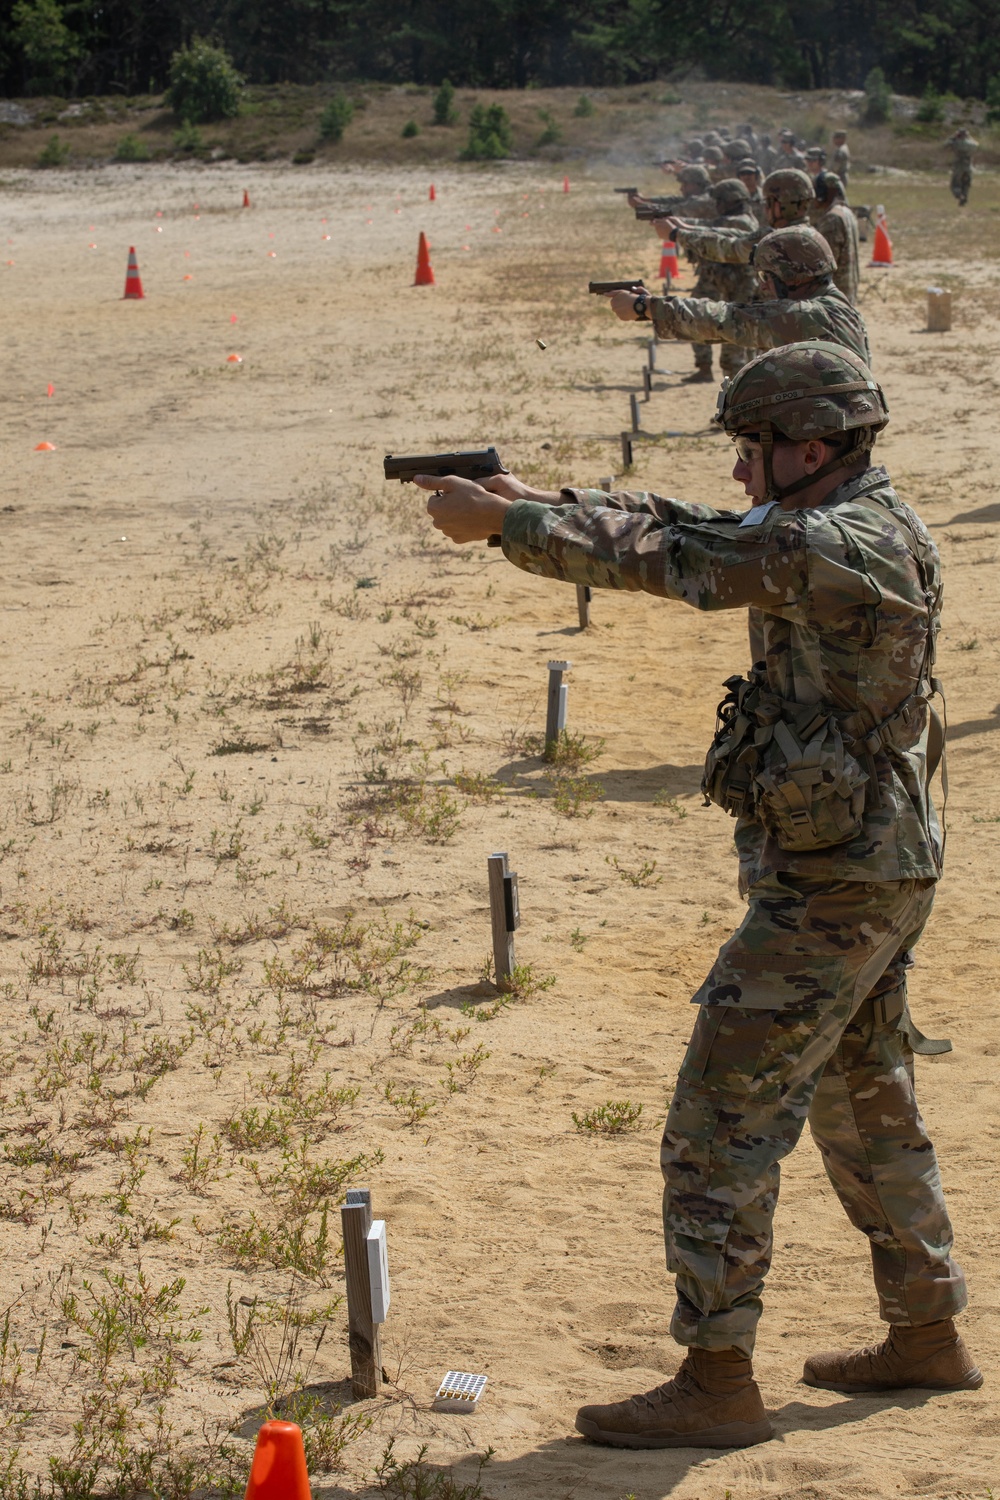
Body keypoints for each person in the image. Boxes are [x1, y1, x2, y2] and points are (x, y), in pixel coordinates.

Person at [411, 338, 980, 1450]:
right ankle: (924, 1329)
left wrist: (510, 530)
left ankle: (717, 1378)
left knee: (719, 1123)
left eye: (752, 450)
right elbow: (710, 527)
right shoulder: (856, 513)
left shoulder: (838, 539)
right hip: (869, 862)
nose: (739, 472)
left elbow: (690, 562)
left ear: (810, 447)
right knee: (864, 1094)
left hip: (837, 882)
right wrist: (545, 499)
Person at [608, 225, 872, 366]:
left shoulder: (808, 316)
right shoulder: (835, 305)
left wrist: (645, 307)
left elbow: (728, 320)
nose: (764, 288)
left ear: (790, 276)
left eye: (766, 278)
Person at [678, 178, 759, 384]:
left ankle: (739, 410)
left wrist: (678, 229)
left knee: (734, 358)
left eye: (720, 201)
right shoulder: (739, 219)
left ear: (730, 201)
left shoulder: (740, 222)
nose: (716, 206)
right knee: (733, 356)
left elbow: (712, 230)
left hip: (742, 296)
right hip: (732, 291)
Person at [658, 168, 815, 267]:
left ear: (780, 204)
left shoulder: (781, 240)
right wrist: (685, 228)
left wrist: (676, 234)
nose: (765, 208)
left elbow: (729, 247)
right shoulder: (806, 234)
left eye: (768, 202)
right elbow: (737, 236)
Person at [811, 171, 860, 305]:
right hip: (848, 293)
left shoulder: (832, 219)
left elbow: (825, 263)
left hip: (835, 297)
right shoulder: (847, 213)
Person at [945, 127, 978, 207]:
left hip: (958, 165)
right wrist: (969, 137)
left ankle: (960, 196)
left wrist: (953, 137)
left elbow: (945, 144)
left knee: (955, 184)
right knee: (966, 183)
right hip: (968, 165)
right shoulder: (973, 144)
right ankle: (965, 197)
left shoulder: (955, 143)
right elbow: (976, 144)